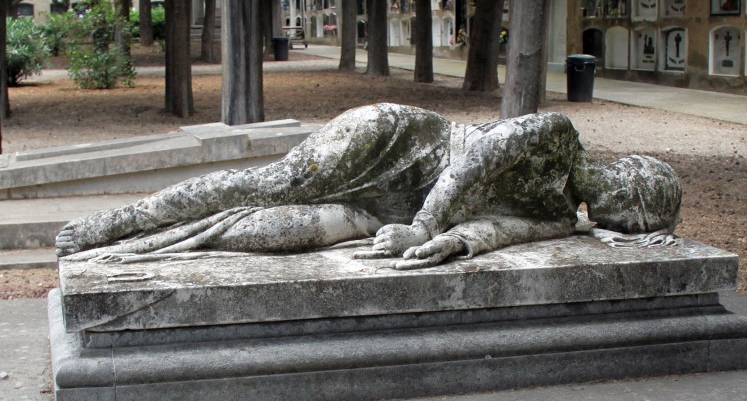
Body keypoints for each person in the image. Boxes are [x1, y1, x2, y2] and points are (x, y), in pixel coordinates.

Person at [56, 103, 682, 269]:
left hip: (391, 213)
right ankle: (118, 222)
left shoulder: (560, 216)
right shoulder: (559, 135)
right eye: (638, 219)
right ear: (634, 185)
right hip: (397, 145)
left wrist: (452, 244)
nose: (625, 229)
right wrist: (430, 224)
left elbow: (496, 230)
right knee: (273, 182)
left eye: (635, 232)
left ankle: (149, 244)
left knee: (271, 232)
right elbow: (480, 158)